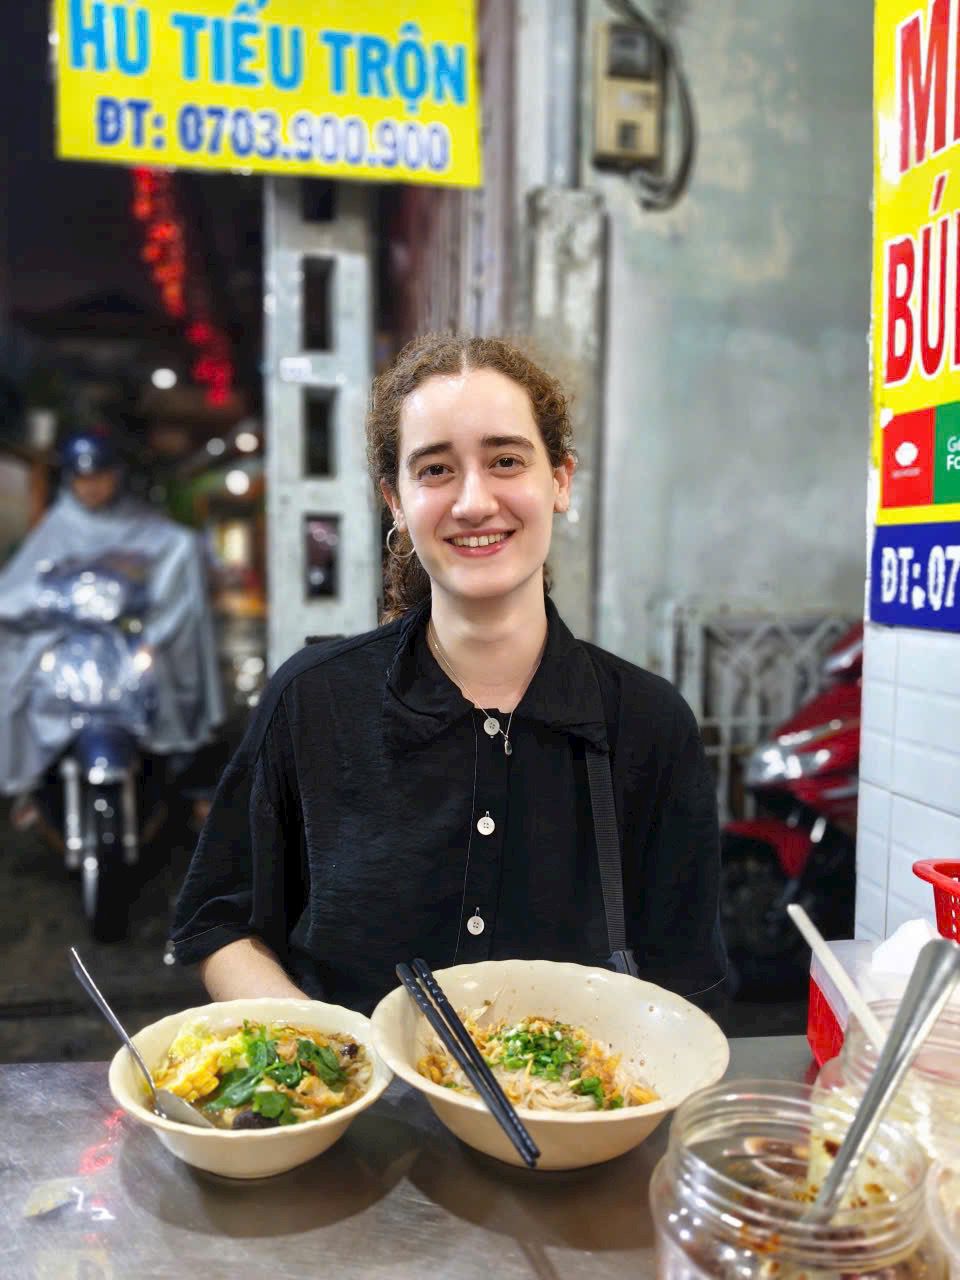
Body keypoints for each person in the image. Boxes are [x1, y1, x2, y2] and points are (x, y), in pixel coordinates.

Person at [172, 334, 726, 1011]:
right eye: (435, 470)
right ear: (396, 502)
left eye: (505, 461)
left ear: (559, 480)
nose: (473, 502)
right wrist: (327, 1044)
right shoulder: (313, 701)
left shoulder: (649, 724)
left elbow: (687, 985)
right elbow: (220, 922)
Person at [0, 424, 224, 806]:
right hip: (69, 652)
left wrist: (154, 631)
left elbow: (176, 575)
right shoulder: (56, 528)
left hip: (131, 651)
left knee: (170, 694)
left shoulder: (151, 529)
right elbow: (17, 591)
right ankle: (29, 787)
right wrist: (44, 601)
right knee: (17, 686)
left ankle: (182, 778)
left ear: (116, 476)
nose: (91, 487)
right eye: (81, 478)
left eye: (100, 476)